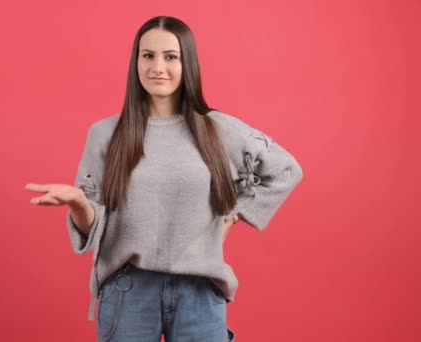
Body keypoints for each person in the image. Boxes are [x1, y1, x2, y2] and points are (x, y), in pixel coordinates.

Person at [25, 15, 303, 342]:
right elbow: (94, 226)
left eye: (171, 57)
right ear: (136, 62)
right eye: (148, 56)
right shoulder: (105, 134)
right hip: (129, 291)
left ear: (188, 63)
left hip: (199, 290)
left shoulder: (217, 129)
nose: (158, 66)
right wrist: (77, 203)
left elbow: (286, 169)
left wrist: (232, 216)